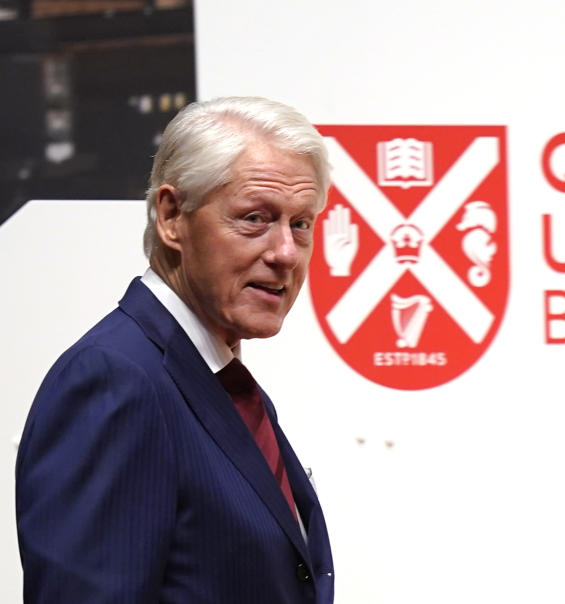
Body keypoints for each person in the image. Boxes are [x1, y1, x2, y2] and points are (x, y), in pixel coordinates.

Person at [15, 97, 335, 603]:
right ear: (170, 217)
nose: (285, 254)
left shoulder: (215, 375)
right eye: (255, 217)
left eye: (301, 224)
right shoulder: (115, 381)